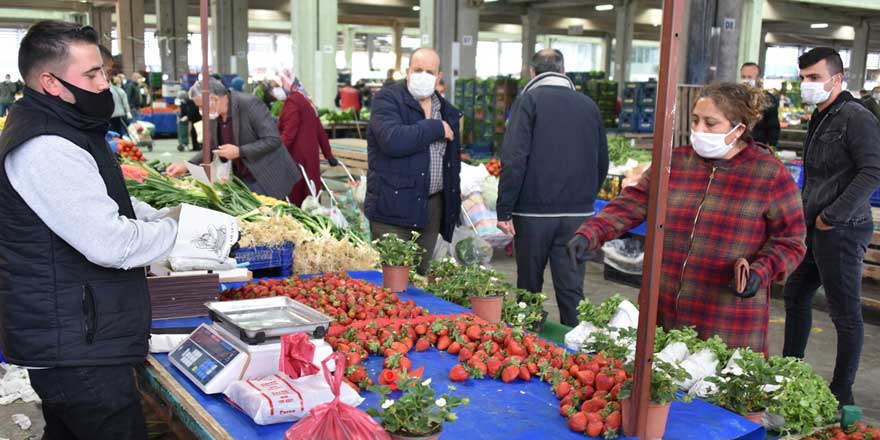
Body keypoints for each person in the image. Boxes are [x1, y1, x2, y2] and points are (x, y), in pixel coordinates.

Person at [0, 20, 180, 439]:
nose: (105, 84)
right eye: (92, 75)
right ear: (51, 82)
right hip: (78, 348)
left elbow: (104, 201)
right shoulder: (45, 146)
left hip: (77, 335)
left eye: (104, 72)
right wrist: (180, 233)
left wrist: (159, 214)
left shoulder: (67, 127)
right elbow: (109, 244)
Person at [569, 82, 807, 355]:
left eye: (710, 123)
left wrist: (761, 272)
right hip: (665, 307)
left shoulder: (769, 174)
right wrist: (591, 232)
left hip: (727, 316)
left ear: (739, 129)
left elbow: (791, 240)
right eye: (695, 120)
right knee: (660, 385)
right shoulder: (676, 162)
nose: (699, 130)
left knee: (714, 390)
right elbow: (634, 202)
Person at [782, 47, 880, 407]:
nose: (807, 85)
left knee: (845, 313)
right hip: (815, 226)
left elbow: (873, 171)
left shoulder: (856, 117)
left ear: (837, 79)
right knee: (795, 293)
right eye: (804, 78)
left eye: (814, 78)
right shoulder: (820, 115)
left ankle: (841, 391)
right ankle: (788, 371)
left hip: (841, 230)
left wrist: (832, 216)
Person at [495, 49, 609, 327]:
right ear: (563, 71)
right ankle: (578, 355)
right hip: (577, 215)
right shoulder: (588, 105)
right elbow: (602, 161)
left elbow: (514, 158)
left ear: (532, 72)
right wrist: (584, 200)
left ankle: (528, 347)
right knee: (572, 290)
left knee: (529, 289)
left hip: (532, 215)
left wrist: (505, 209)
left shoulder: (528, 101)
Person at [366, 48, 461, 274]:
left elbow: (452, 164)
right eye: (418, 70)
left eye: (430, 71)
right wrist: (435, 127)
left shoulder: (447, 111)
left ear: (439, 77)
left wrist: (452, 206)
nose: (423, 75)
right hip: (392, 206)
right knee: (392, 278)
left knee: (419, 278)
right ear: (408, 72)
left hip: (431, 208)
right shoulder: (387, 99)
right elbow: (393, 140)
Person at [165, 79, 300, 201]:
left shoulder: (249, 105)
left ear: (215, 99)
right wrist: (186, 165)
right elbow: (212, 148)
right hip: (242, 177)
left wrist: (240, 151)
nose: (201, 111)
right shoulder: (214, 115)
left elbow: (273, 139)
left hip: (266, 175)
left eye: (202, 107)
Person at [278, 88, 339, 205]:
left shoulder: (292, 102)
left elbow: (289, 134)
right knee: (311, 191)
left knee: (296, 195)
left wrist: (276, 151)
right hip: (311, 156)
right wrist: (328, 155)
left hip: (296, 156)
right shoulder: (309, 105)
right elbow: (321, 132)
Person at [740, 62, 780, 147]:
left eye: (749, 77)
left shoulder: (767, 99)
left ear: (757, 78)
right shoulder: (735, 97)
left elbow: (773, 126)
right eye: (743, 77)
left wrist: (772, 146)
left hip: (758, 146)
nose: (746, 80)